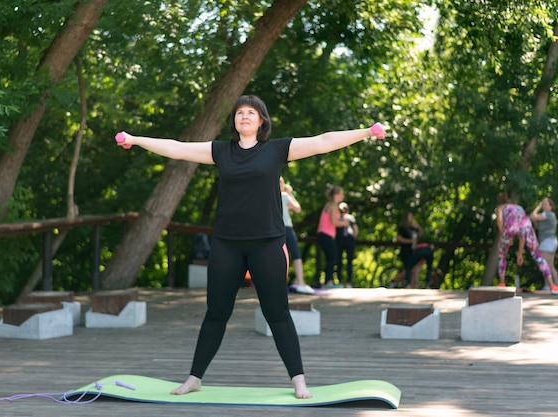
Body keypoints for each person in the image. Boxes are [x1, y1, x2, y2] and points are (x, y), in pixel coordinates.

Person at [114, 94, 386, 399]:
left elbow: (323, 141)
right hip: (227, 245)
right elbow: (178, 148)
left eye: (251, 113)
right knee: (216, 313)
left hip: (267, 244)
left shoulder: (276, 150)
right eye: (240, 112)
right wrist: (136, 140)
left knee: (277, 313)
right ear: (234, 121)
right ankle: (194, 378)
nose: (244, 116)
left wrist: (366, 132)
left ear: (262, 121)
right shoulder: (221, 151)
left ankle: (299, 381)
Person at [496, 192, 558, 294]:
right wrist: (520, 254)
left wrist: (502, 235)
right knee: (538, 256)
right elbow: (522, 235)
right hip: (526, 226)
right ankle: (552, 285)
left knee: (502, 254)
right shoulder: (518, 207)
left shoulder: (500, 208)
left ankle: (501, 283)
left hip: (510, 226)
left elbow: (500, 221)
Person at [280, 177, 314, 295]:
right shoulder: (284, 196)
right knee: (296, 255)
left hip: (274, 229)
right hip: (287, 228)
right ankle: (301, 282)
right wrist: (290, 194)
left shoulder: (269, 196)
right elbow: (297, 208)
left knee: (279, 257)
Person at [316, 185, 351, 288]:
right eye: (342, 194)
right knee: (333, 258)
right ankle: (328, 282)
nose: (343, 196)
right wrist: (345, 223)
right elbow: (334, 221)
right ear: (336, 195)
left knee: (330, 258)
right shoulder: (334, 206)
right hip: (325, 234)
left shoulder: (329, 205)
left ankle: (327, 281)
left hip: (324, 235)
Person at [530, 197, 558, 291]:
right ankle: (556, 286)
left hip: (547, 242)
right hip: (551, 242)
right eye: (543, 205)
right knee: (550, 266)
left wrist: (538, 207)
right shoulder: (551, 215)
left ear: (551, 206)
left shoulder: (547, 214)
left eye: (545, 205)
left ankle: (549, 286)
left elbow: (533, 216)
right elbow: (538, 224)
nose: (544, 206)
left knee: (545, 266)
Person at [335, 202, 358, 288]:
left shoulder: (350, 218)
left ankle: (346, 281)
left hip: (346, 240)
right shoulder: (338, 218)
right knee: (341, 261)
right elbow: (356, 230)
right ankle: (342, 281)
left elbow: (355, 230)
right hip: (342, 240)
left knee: (345, 261)